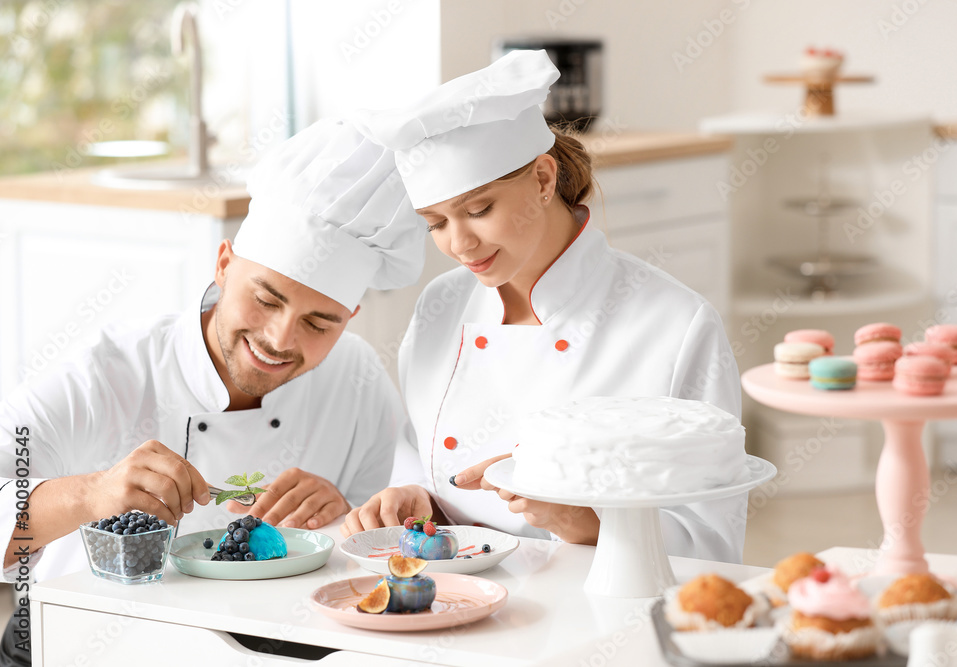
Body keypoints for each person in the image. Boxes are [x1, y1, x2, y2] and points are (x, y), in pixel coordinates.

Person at [0, 119, 423, 664]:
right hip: (79, 639)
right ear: (223, 264)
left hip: (265, 643)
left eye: (320, 324)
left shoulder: (357, 378)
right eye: (266, 300)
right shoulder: (105, 372)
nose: (279, 340)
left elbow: (373, 555)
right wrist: (91, 494)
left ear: (351, 318)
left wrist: (347, 518)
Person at [342, 50, 746, 562]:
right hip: (453, 591)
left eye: (478, 209)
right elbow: (418, 454)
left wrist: (580, 521)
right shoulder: (441, 305)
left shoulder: (674, 324)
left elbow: (712, 543)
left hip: (595, 613)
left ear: (542, 179)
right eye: (436, 223)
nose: (459, 244)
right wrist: (418, 499)